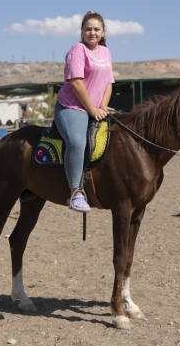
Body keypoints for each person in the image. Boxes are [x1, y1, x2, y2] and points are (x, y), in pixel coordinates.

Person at [54, 11, 115, 213]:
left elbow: (109, 84)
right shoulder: (77, 50)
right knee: (77, 142)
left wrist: (103, 107)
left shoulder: (105, 52)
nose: (92, 33)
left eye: (96, 29)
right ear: (81, 31)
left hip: (96, 108)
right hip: (72, 107)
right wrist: (92, 109)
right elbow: (77, 83)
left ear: (103, 32)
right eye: (88, 29)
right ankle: (75, 193)